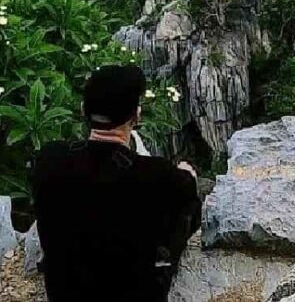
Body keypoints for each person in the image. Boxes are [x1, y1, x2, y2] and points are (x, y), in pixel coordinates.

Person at [32, 64, 201, 302]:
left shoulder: (50, 160)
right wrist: (186, 177)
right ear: (136, 115)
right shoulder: (158, 176)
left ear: (83, 110)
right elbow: (188, 210)